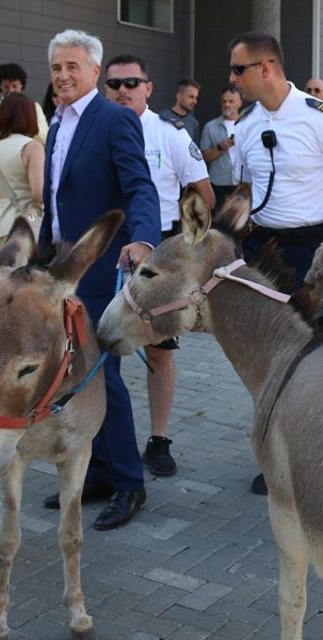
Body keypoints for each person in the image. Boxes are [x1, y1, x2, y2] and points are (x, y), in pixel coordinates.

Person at [227, 30, 323, 495]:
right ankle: (277, 451)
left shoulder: (322, 119)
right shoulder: (244, 127)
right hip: (261, 249)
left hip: (311, 249)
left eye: (238, 69)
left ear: (265, 67)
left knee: (318, 352)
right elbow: (244, 191)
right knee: (267, 352)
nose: (232, 79)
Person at [37, 29, 161, 531]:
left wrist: (144, 240)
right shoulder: (56, 125)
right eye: (55, 68)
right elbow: (56, 196)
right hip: (61, 267)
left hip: (100, 266)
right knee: (73, 372)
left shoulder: (113, 119)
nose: (62, 76)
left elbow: (139, 187)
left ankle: (131, 483)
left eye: (72, 67)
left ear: (93, 71)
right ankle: (102, 472)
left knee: (100, 374)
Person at [103, 53, 214, 479]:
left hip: (156, 253)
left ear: (148, 88)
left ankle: (159, 440)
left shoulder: (169, 133)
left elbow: (205, 195)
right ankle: (103, 447)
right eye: (115, 84)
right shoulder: (95, 129)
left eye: (133, 82)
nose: (123, 90)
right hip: (106, 246)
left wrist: (180, 252)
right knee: (97, 347)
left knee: (157, 352)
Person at [0, 93, 44, 245]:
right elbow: (38, 194)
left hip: (2, 226)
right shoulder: (32, 147)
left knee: (9, 270)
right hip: (30, 225)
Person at [0, 63, 49, 147]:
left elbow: (45, 138)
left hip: (26, 157)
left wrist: (28, 119)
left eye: (14, 86)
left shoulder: (34, 107)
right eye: (6, 87)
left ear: (21, 86)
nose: (11, 91)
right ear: (0, 87)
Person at [200, 85, 243, 208]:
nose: (227, 104)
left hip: (242, 184)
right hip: (219, 184)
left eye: (231, 101)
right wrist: (219, 148)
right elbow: (203, 158)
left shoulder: (247, 125)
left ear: (239, 103)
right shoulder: (210, 127)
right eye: (224, 101)